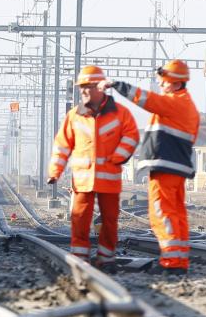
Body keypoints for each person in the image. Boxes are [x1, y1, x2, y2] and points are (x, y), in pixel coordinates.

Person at [99, 59, 199, 275]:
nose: (160, 85)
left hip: (166, 166)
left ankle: (172, 263)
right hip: (175, 167)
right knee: (176, 214)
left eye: (163, 82)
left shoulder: (175, 102)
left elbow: (146, 99)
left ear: (174, 83)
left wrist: (117, 85)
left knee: (161, 212)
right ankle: (178, 261)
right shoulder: (186, 105)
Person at [48, 66, 139, 271]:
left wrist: (118, 157)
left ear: (101, 87)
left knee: (109, 221)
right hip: (82, 180)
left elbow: (131, 136)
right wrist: (55, 171)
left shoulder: (120, 114)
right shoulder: (74, 116)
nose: (84, 91)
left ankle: (106, 259)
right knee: (79, 220)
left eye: (88, 87)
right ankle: (79, 260)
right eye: (82, 88)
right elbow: (62, 145)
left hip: (109, 178)